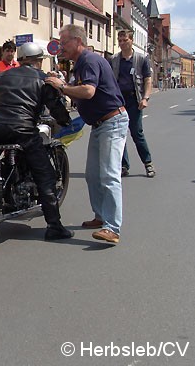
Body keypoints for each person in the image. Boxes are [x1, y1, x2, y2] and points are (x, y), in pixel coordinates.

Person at [0, 42, 72, 241]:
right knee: (45, 175)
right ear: (38, 61)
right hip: (23, 131)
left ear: (20, 60)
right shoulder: (43, 79)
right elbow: (55, 106)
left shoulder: (3, 75)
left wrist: (0, 114)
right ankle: (54, 226)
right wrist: (65, 121)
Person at [45, 24, 128, 244]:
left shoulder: (89, 60)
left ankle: (113, 228)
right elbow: (77, 89)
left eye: (64, 43)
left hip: (112, 121)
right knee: (93, 174)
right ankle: (101, 216)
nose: (61, 47)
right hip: (100, 123)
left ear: (78, 41)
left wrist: (62, 87)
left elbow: (88, 91)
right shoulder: (79, 64)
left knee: (109, 174)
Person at [110, 30, 155, 178]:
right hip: (118, 101)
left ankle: (148, 163)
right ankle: (123, 165)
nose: (122, 43)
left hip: (134, 100)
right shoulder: (114, 59)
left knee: (137, 133)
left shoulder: (141, 59)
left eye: (125, 40)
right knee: (119, 134)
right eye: (120, 40)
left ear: (131, 41)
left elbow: (148, 79)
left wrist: (145, 98)